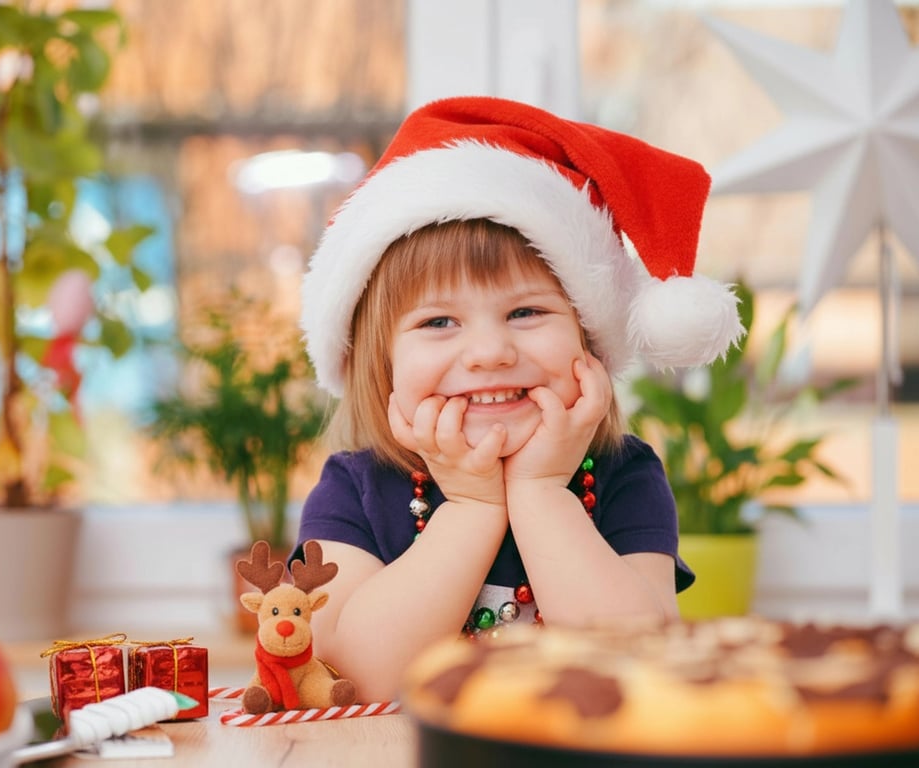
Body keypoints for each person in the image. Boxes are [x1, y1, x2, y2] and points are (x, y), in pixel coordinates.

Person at [295, 96, 743, 702]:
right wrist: (474, 507)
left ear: (590, 340)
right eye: (438, 323)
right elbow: (363, 677)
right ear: (380, 365)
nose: (489, 352)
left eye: (526, 312)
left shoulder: (624, 476)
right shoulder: (354, 488)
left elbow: (640, 666)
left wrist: (539, 493)